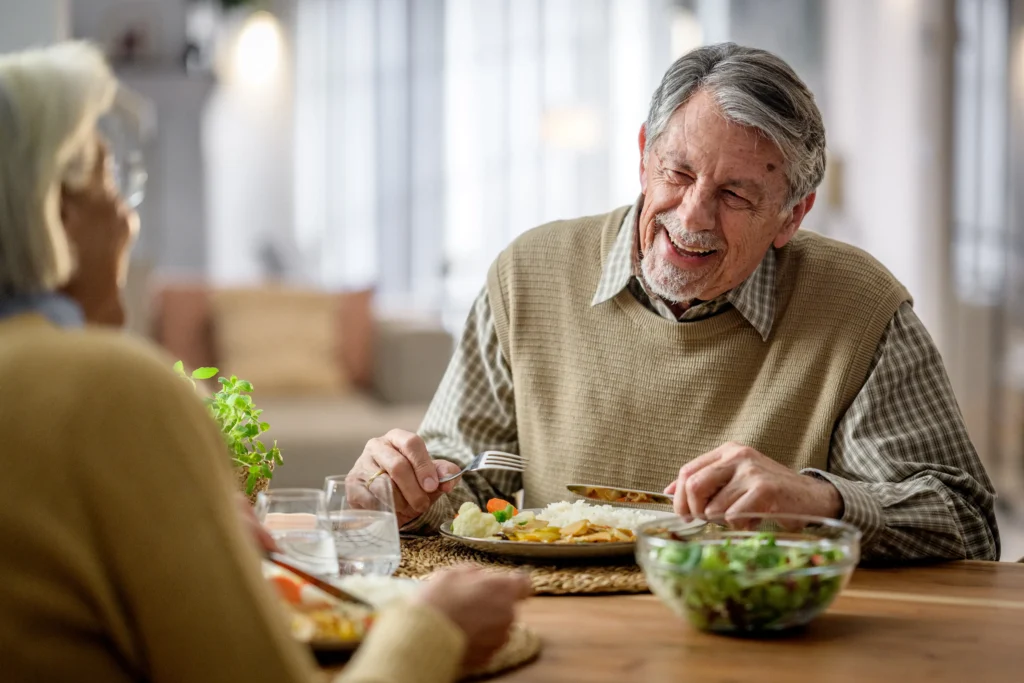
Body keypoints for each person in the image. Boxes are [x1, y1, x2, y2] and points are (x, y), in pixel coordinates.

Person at [0, 42, 529, 683]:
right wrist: (433, 627)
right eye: (110, 182)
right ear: (51, 214)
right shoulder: (111, 388)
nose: (128, 222)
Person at [351, 42, 1001, 563]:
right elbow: (464, 483)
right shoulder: (528, 274)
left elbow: (968, 525)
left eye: (737, 195)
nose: (692, 215)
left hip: (770, 637)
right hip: (567, 631)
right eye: (678, 172)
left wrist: (822, 499)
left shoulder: (859, 306)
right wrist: (404, 491)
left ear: (792, 214)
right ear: (642, 155)